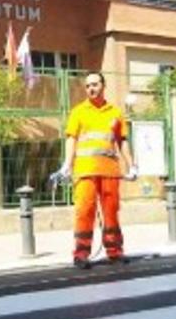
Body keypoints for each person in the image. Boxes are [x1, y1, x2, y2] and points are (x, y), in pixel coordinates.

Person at [54, 71, 136, 270]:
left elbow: (122, 141)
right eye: (88, 85)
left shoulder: (115, 113)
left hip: (109, 171)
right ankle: (81, 254)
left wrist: (131, 165)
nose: (91, 88)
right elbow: (71, 138)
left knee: (111, 212)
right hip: (85, 171)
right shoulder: (78, 112)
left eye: (95, 84)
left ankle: (115, 252)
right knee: (84, 211)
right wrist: (67, 164)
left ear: (103, 85)